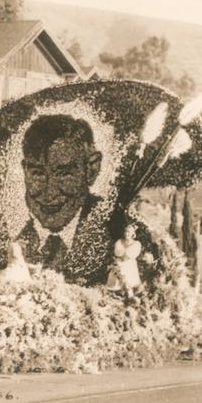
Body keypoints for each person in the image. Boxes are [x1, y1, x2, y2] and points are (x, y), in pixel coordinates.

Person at [17, 115, 125, 284]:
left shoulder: (120, 234)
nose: (49, 193)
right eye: (37, 173)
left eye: (63, 174)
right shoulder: (14, 242)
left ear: (91, 170)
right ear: (25, 171)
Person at [106, 225, 142, 298]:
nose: (126, 234)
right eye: (125, 232)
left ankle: (128, 290)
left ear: (133, 234)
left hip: (129, 262)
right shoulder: (119, 242)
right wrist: (122, 257)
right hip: (120, 261)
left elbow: (130, 255)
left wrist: (125, 254)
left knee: (126, 268)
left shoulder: (136, 244)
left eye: (128, 232)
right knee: (117, 268)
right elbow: (118, 253)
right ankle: (118, 290)